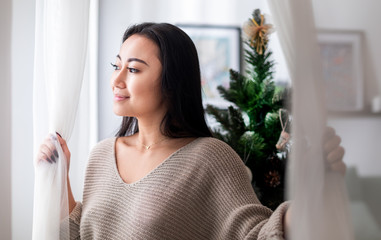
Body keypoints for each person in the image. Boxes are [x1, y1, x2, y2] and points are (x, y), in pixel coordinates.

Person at [37, 22, 346, 239]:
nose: (117, 81)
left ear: (172, 82)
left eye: (133, 69)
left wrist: (316, 185)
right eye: (115, 66)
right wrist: (59, 177)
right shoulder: (101, 154)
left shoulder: (210, 158)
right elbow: (79, 233)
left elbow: (256, 236)